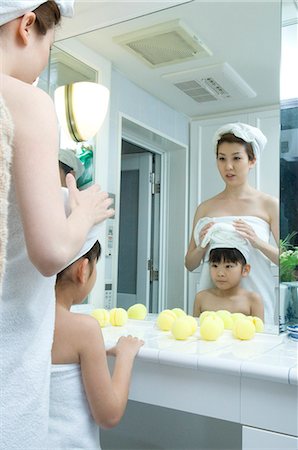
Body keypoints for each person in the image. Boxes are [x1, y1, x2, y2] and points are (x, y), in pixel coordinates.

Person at [0, 2, 114, 448]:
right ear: (27, 26)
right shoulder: (26, 101)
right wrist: (84, 213)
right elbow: (49, 254)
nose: (43, 64)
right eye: (51, 45)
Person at [50, 235, 144, 449]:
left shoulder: (23, 320)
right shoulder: (84, 329)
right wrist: (126, 355)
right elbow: (109, 416)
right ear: (83, 270)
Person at [185, 123, 278, 324]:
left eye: (236, 158)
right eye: (221, 158)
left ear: (252, 160)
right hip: (213, 308)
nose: (228, 166)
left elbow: (287, 262)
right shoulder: (205, 208)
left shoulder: (269, 205)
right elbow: (190, 264)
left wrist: (257, 242)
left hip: (256, 303)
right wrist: (202, 247)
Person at [193, 247, 264, 320]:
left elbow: (259, 330)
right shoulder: (201, 298)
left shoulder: (252, 300)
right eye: (215, 266)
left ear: (245, 270)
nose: (220, 273)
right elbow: (195, 329)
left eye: (228, 266)